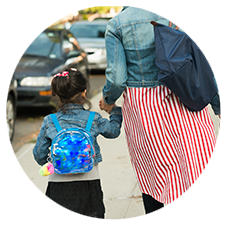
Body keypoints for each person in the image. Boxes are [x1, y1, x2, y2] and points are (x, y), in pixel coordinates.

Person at [99, 6, 220, 220]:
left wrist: (108, 100)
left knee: (150, 172)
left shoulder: (118, 24)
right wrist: (218, 105)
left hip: (144, 108)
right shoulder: (180, 11)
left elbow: (116, 79)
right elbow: (204, 59)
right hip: (183, 98)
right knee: (183, 176)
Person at [33, 68, 122, 220]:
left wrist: (52, 162)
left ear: (57, 94)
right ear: (84, 92)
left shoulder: (50, 121)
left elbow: (39, 155)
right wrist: (115, 112)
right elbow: (113, 132)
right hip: (89, 181)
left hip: (58, 185)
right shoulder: (93, 118)